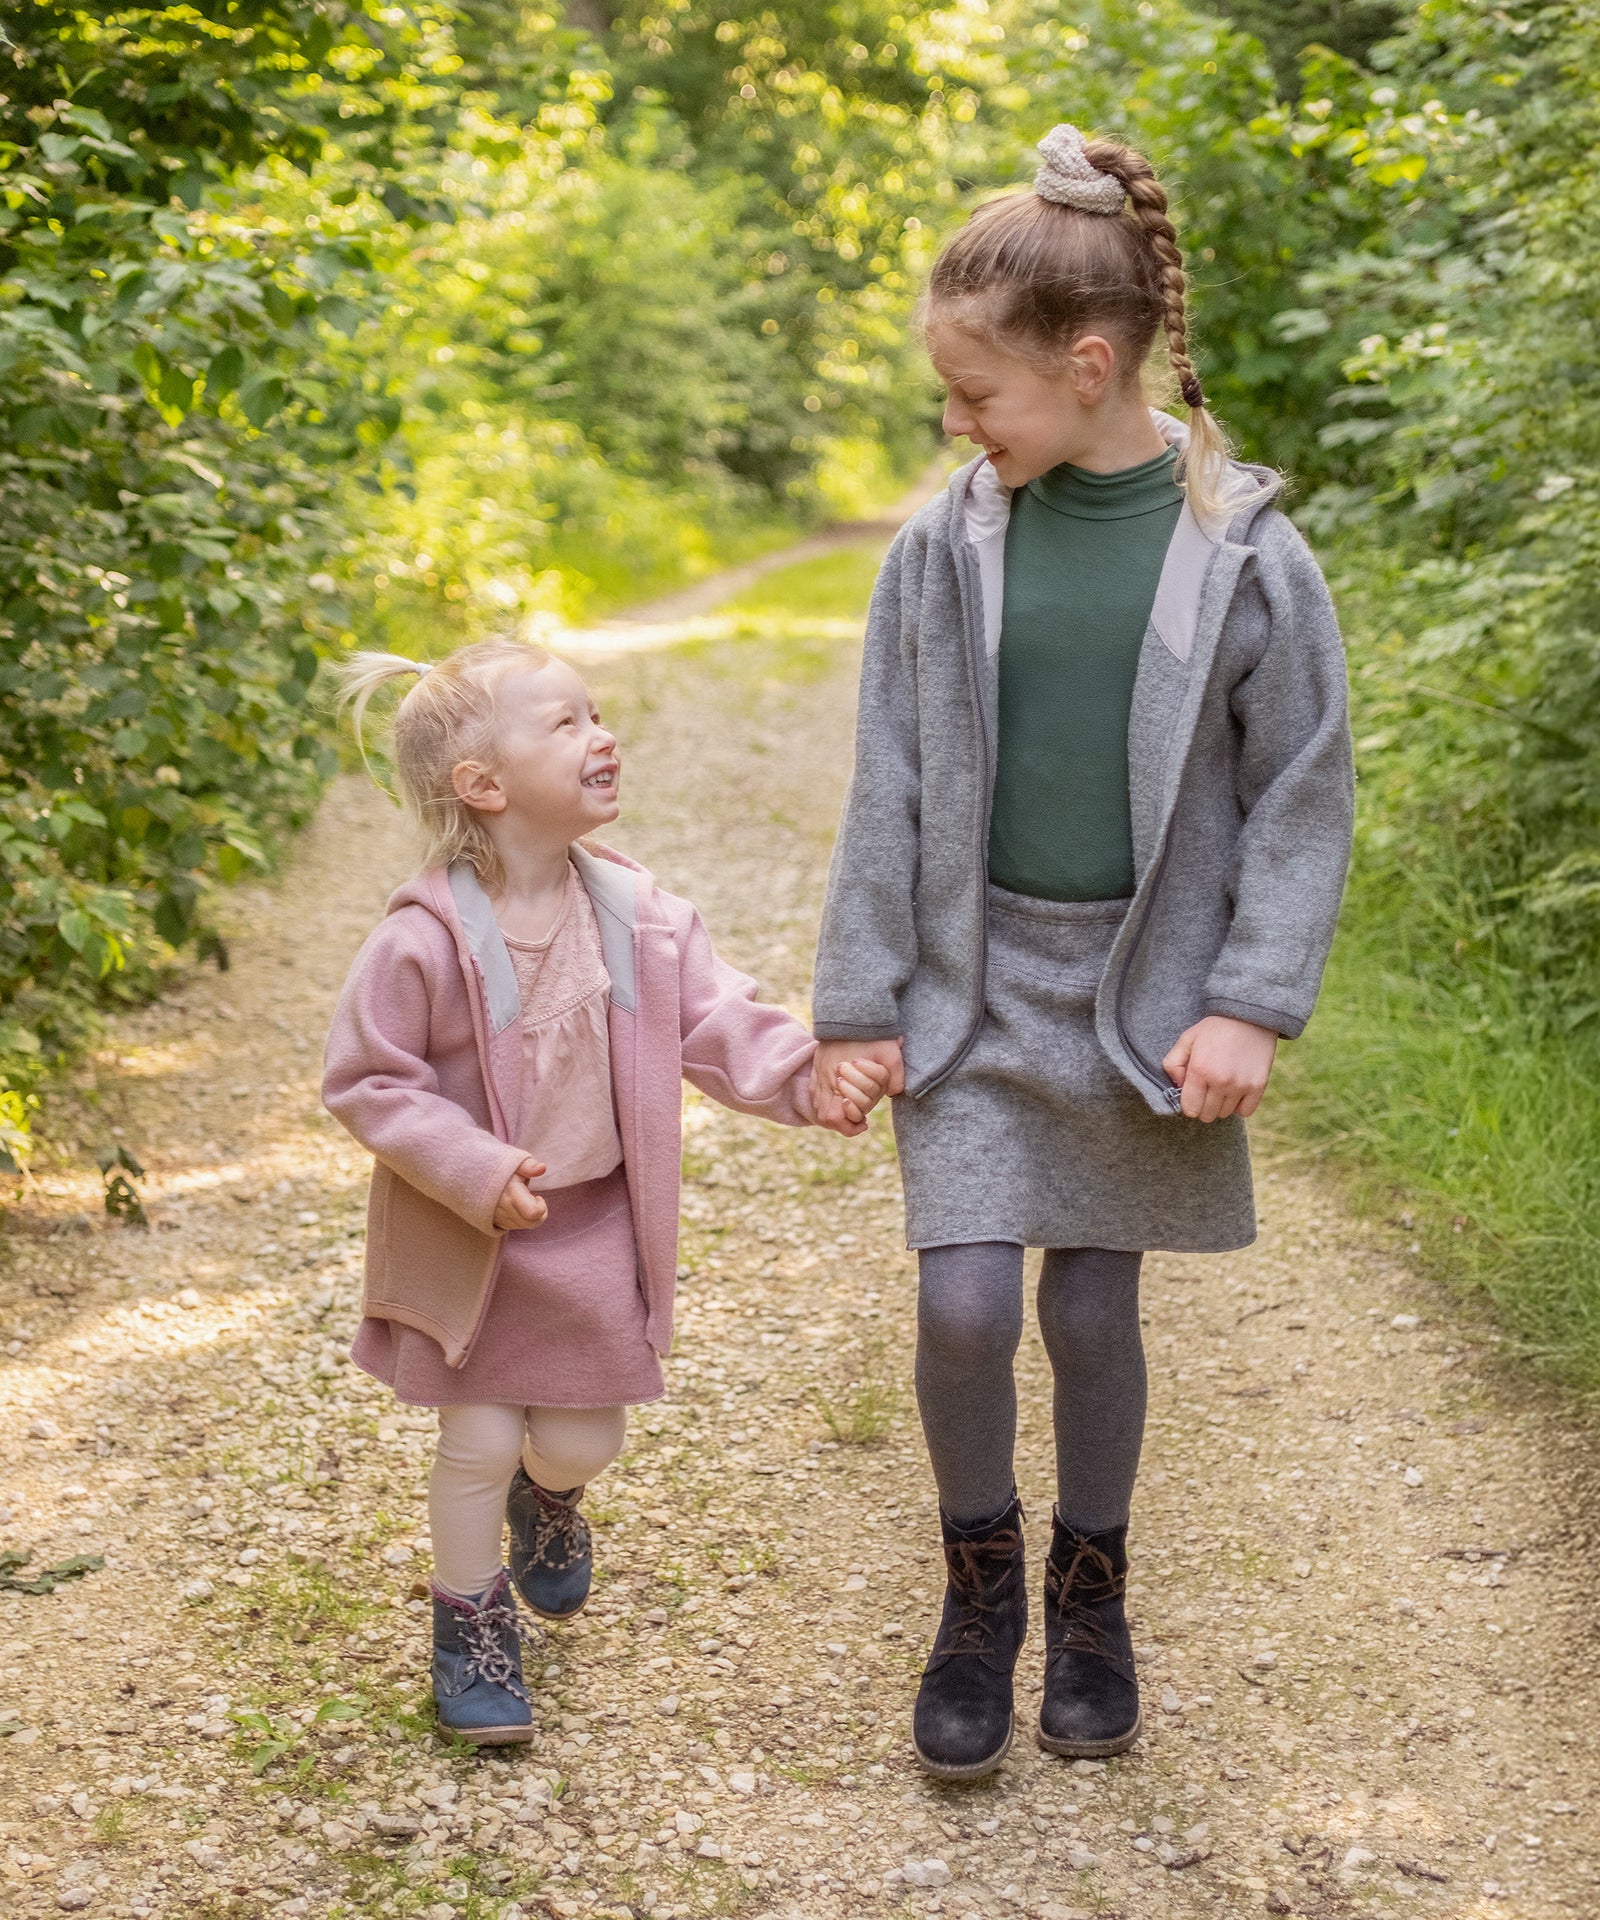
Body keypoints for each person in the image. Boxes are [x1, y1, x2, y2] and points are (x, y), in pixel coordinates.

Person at [808, 124, 1354, 1780]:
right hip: (978, 991)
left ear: (1091, 363)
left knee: (1095, 1314)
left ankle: (1090, 1589)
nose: (959, 430)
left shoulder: (1243, 551)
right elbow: (888, 781)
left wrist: (1251, 1002)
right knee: (967, 1304)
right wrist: (857, 1003)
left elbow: (1301, 794)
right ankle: (980, 1589)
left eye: (977, 398)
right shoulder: (943, 546)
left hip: (1143, 1000)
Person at [323, 637, 888, 1745]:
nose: (602, 735)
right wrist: (477, 1170)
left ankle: (554, 1499)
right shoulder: (420, 942)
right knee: (476, 1438)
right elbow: (368, 1083)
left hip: (590, 1234)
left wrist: (804, 1077)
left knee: (579, 1443)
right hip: (470, 1238)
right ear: (482, 788)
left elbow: (720, 1020)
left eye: (597, 714)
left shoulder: (640, 916)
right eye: (567, 723)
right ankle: (471, 1631)